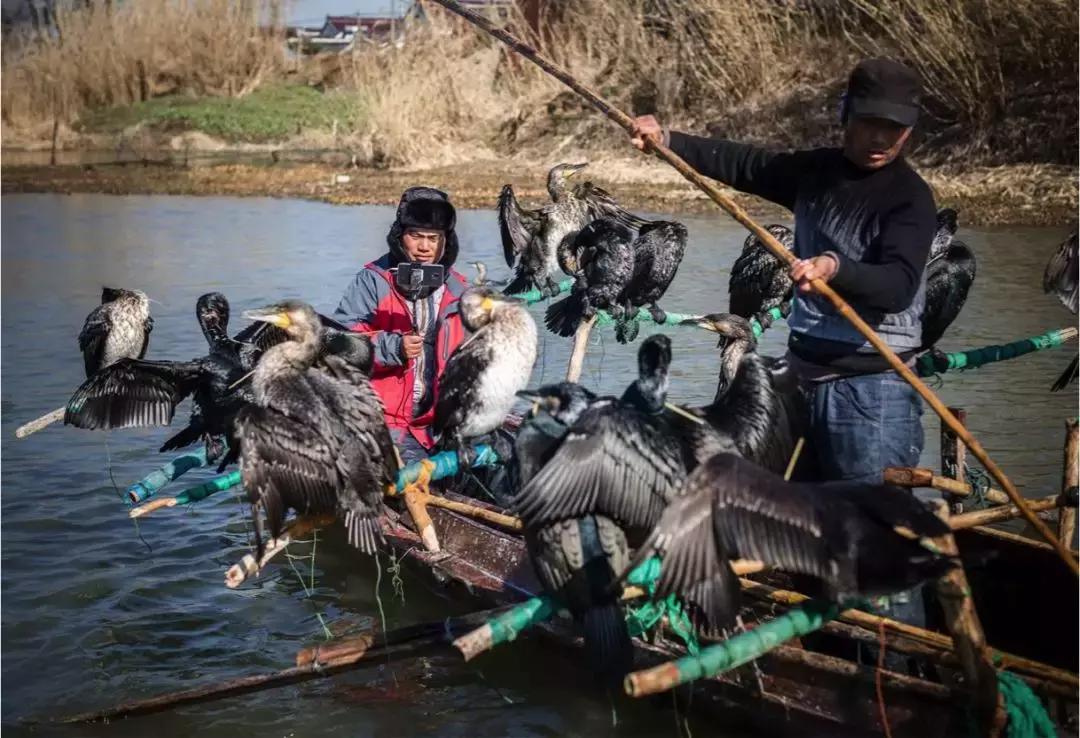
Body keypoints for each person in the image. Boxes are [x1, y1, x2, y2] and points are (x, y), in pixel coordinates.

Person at [631, 58, 936, 627]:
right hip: (802, 380)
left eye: (894, 130)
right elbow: (744, 163)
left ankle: (897, 664)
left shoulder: (909, 199)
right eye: (869, 123)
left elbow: (896, 285)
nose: (880, 139)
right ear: (845, 116)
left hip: (871, 394)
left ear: (909, 131)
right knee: (801, 526)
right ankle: (827, 638)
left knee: (873, 535)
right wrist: (667, 139)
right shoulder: (816, 174)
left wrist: (833, 266)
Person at [334, 186, 469, 464]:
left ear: (446, 241)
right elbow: (339, 344)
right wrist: (392, 347)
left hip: (439, 423)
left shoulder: (459, 287)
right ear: (400, 236)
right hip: (385, 423)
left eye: (433, 238)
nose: (424, 247)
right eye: (415, 236)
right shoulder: (373, 280)